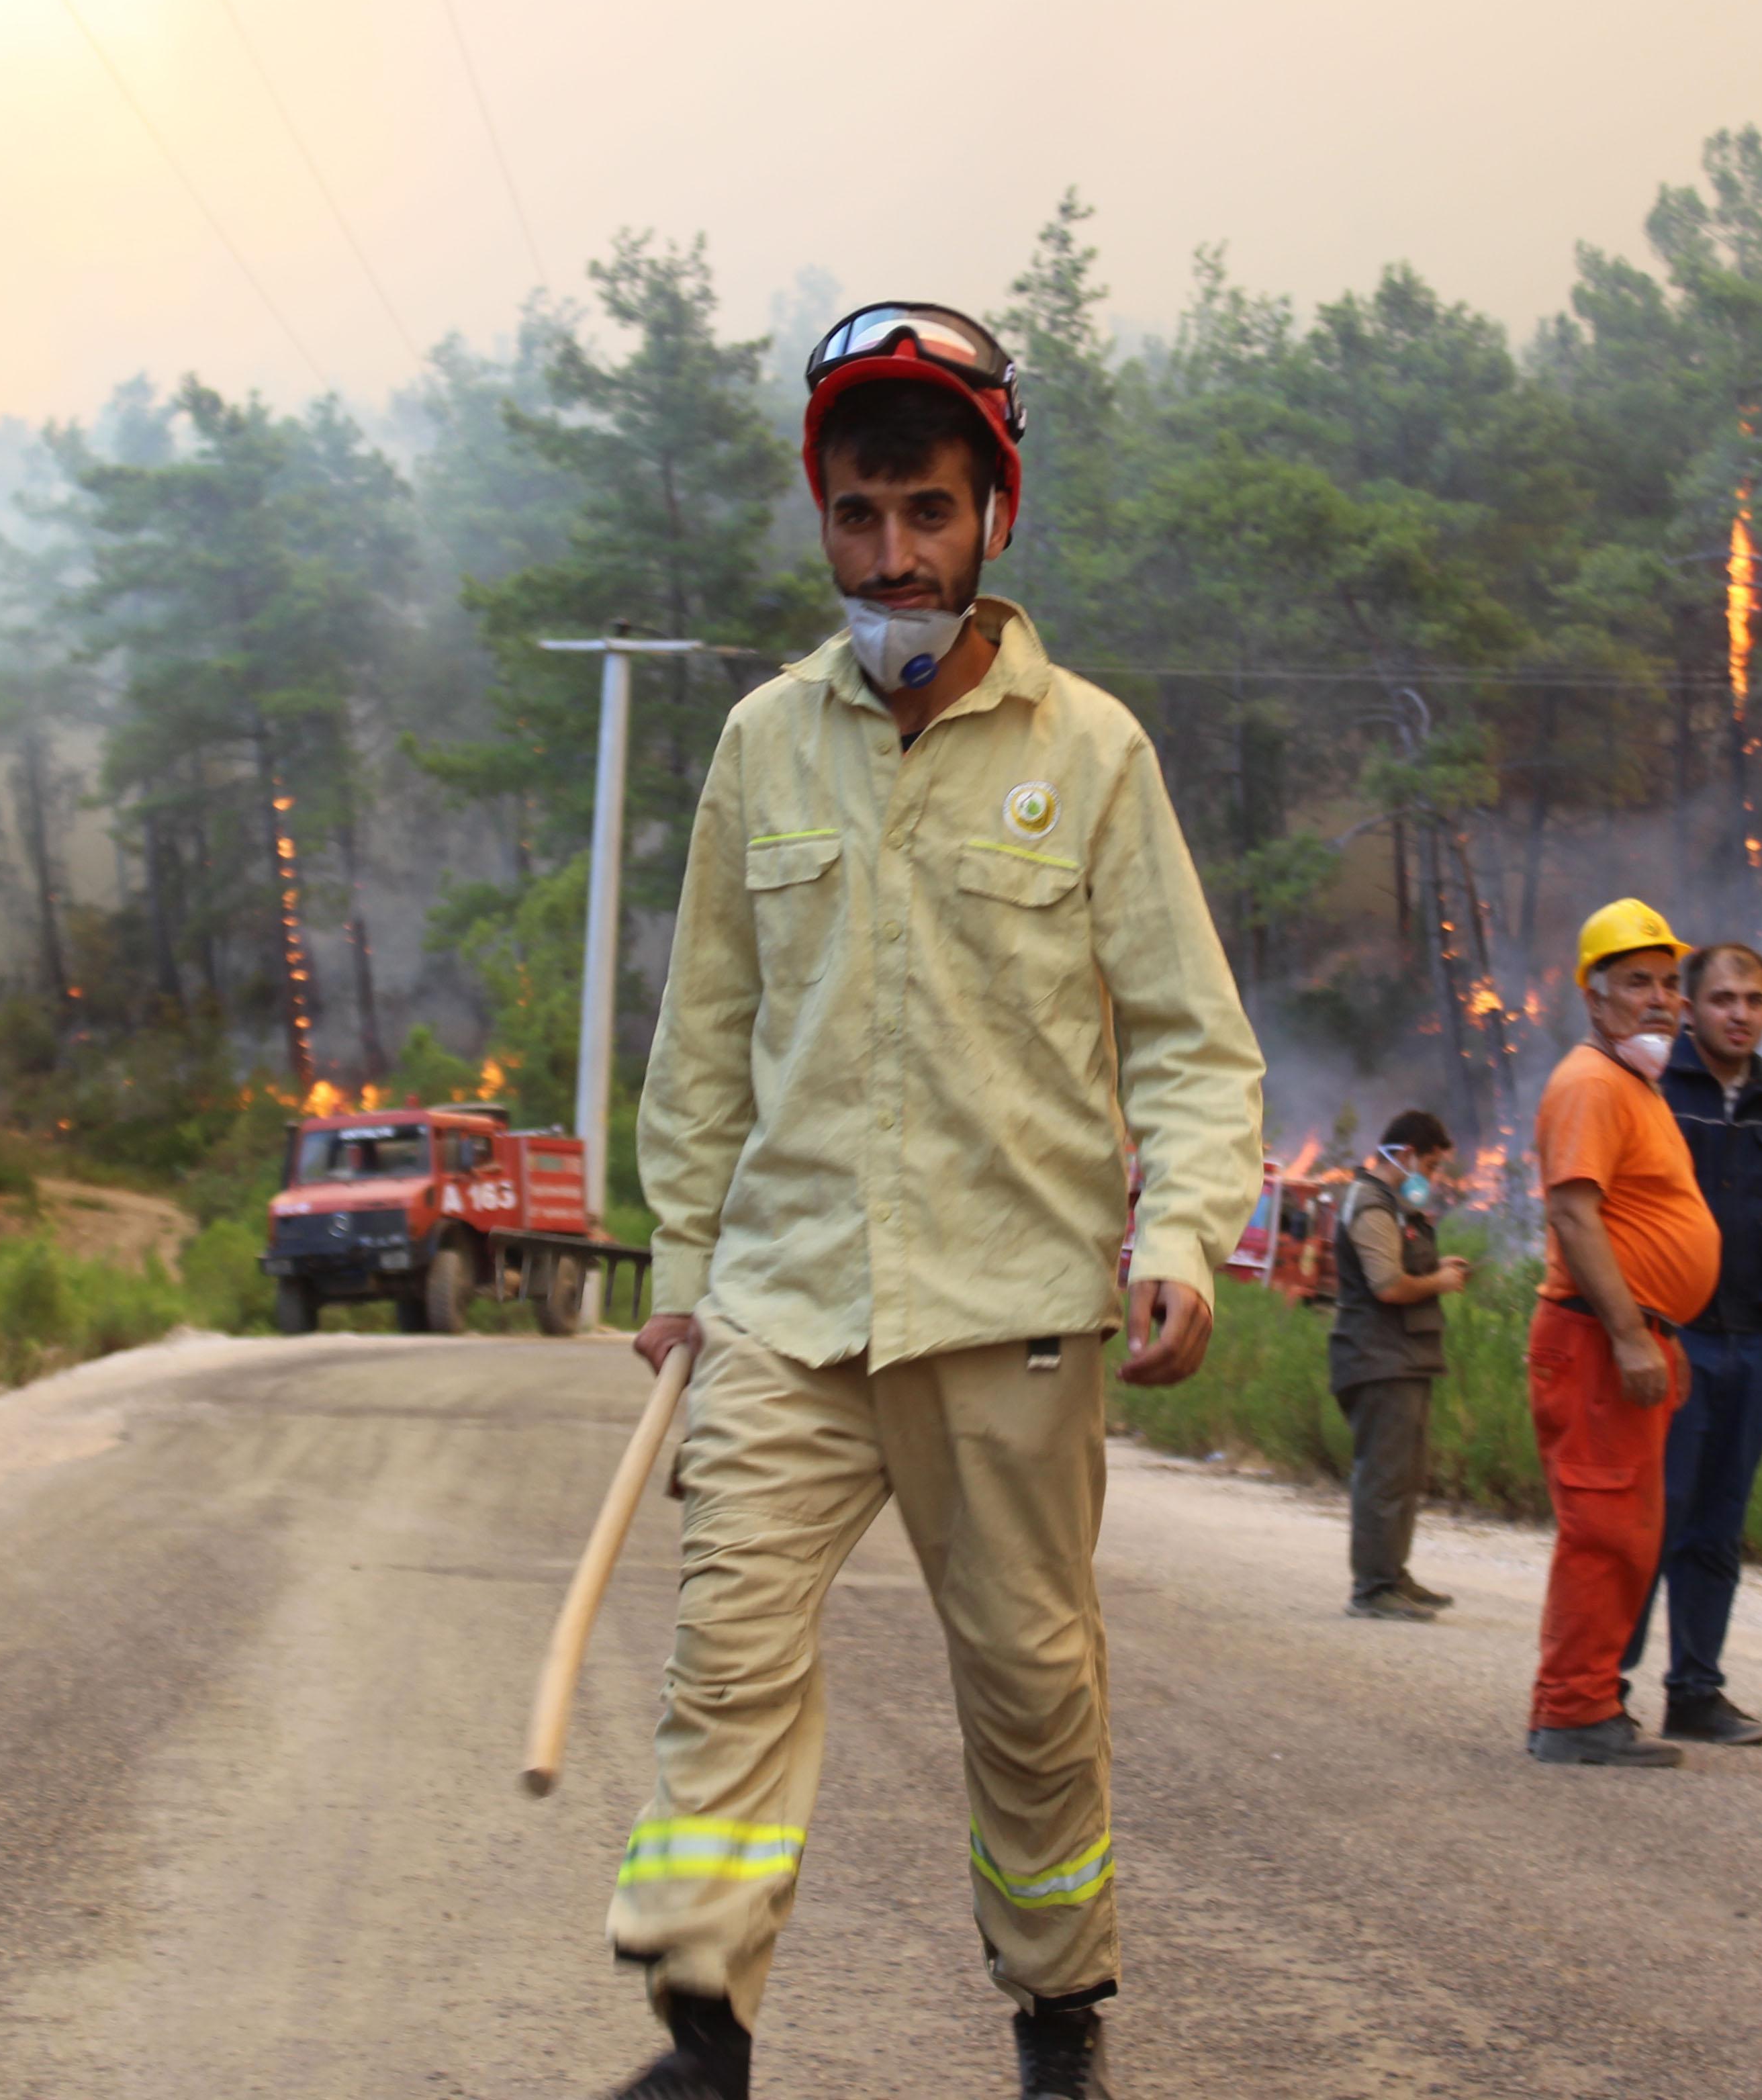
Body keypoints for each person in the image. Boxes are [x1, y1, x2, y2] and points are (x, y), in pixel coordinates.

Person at [603, 302, 1267, 2100]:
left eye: (925, 511)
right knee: (725, 1656)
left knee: (1032, 1691)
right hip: (788, 1302)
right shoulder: (764, 747)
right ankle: (703, 2026)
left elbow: (1197, 1047)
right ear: (820, 518)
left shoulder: (1098, 754)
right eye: (857, 514)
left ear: (994, 517)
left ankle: (1059, 2024)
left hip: (1016, 1314)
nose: (890, 554)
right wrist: (680, 1260)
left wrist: (1185, 1240)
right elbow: (708, 1031)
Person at [1524, 899, 1722, 1770]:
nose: (1661, 999)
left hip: (1629, 1341)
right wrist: (1631, 1337)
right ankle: (1572, 1712)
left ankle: (1586, 1701)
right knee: (1605, 1528)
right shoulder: (1591, 1084)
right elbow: (1573, 1212)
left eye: (1671, 984)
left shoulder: (1631, 1086)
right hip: (1601, 1344)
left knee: (1630, 1528)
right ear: (1595, 1000)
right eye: (1637, 982)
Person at [1624, 941, 1762, 1747]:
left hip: (1760, 1339)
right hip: (1676, 1339)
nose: (1739, 1014)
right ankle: (1603, 1687)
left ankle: (1696, 1691)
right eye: (1721, 1000)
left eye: (1753, 1000)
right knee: (1655, 1514)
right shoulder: (1654, 1086)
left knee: (1720, 1520)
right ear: (1690, 1008)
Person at [1328, 1109, 1472, 1620]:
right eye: (1430, 1167)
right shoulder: (1370, 1204)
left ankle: (1393, 1574)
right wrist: (1439, 1283)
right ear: (1406, 1155)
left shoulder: (1392, 1207)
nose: (1431, 1180)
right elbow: (1387, 1285)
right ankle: (1372, 1589)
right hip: (1377, 1359)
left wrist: (1436, 1270)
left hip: (1402, 1359)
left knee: (1406, 1476)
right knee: (1384, 1477)